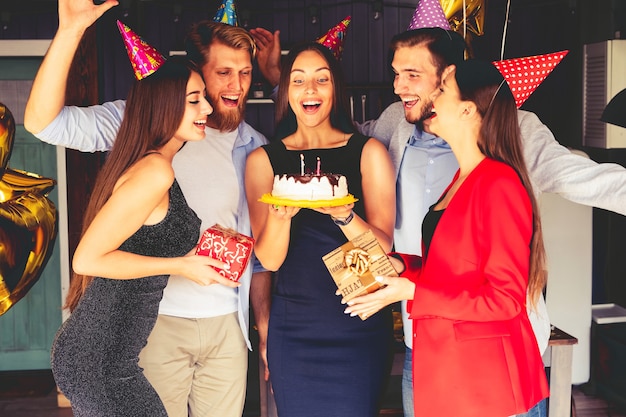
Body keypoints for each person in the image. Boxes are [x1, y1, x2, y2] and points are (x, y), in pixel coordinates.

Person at [252, 25, 626, 417]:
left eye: (413, 75)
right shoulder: (403, 128)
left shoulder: (503, 162)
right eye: (396, 73)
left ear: (448, 79)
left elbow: (583, 180)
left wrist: (409, 291)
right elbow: (333, 132)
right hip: (427, 343)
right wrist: (296, 84)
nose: (398, 86)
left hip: (488, 356)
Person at [24, 1, 270, 416]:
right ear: (193, 74)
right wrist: (70, 31)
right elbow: (43, 124)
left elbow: (257, 255)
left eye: (245, 72)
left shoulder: (255, 145)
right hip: (148, 328)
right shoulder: (140, 132)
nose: (235, 85)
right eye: (223, 72)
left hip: (224, 322)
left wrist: (261, 326)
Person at [50, 56, 239, 416]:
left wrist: (203, 249)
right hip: (98, 361)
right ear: (163, 105)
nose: (208, 107)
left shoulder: (160, 163)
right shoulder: (155, 170)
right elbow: (87, 259)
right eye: (194, 99)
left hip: (107, 358)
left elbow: (142, 239)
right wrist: (182, 266)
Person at [384, 58, 550, 417]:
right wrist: (401, 265)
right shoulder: (463, 177)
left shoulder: (499, 183)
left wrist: (413, 291)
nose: (431, 96)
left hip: (491, 389)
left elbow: (505, 300)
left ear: (468, 110)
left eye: (442, 90)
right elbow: (451, 271)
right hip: (457, 379)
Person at [244, 41, 396, 417]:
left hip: (359, 322)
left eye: (321, 79)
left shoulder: (368, 152)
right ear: (287, 92)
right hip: (293, 327)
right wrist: (280, 217)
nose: (310, 89)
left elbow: (383, 251)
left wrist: (345, 216)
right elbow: (269, 260)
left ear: (335, 89)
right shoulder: (264, 160)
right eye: (298, 80)